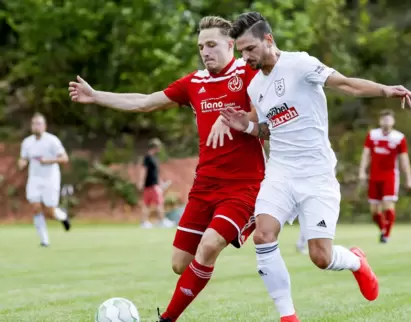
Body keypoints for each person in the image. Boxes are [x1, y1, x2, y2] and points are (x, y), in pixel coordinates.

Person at [221, 12, 411, 322]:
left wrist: (385, 90)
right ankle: (289, 317)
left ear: (268, 40)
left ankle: (355, 261)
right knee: (263, 235)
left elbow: (346, 85)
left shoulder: (300, 64)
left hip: (317, 175)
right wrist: (244, 126)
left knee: (321, 257)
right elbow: (267, 130)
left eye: (249, 49)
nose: (245, 57)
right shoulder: (255, 86)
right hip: (280, 173)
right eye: (241, 51)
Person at [68, 16, 265, 322]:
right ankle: (202, 267)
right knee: (179, 263)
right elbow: (145, 102)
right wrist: (96, 97)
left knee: (209, 246)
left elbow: (268, 113)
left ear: (231, 45)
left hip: (244, 186)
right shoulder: (194, 83)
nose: (205, 51)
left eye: (212, 45)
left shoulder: (250, 72)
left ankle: (166, 319)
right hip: (205, 187)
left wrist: (232, 117)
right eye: (201, 46)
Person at [358, 109, 411, 243]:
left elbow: (404, 159)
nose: (386, 121)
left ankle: (386, 235)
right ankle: (384, 229)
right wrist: (362, 171)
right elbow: (366, 154)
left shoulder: (399, 138)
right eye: (384, 119)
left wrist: (409, 177)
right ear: (379, 121)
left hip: (390, 176)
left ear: (393, 121)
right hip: (374, 176)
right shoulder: (372, 135)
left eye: (389, 119)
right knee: (374, 211)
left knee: (388, 205)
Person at [18, 113, 71, 247]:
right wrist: (22, 163)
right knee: (35, 207)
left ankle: (63, 216)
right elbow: (23, 158)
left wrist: (48, 161)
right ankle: (44, 241)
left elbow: (65, 159)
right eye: (34, 124)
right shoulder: (27, 142)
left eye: (39, 124)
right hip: (34, 179)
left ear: (45, 126)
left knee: (50, 210)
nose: (36, 126)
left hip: (50, 179)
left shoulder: (52, 141)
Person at [137, 138, 175, 228]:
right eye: (158, 146)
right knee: (158, 202)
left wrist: (161, 183)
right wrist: (141, 182)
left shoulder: (154, 158)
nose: (160, 148)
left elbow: (156, 173)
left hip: (154, 184)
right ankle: (161, 221)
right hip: (151, 185)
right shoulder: (147, 158)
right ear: (154, 147)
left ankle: (144, 222)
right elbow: (144, 170)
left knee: (148, 204)